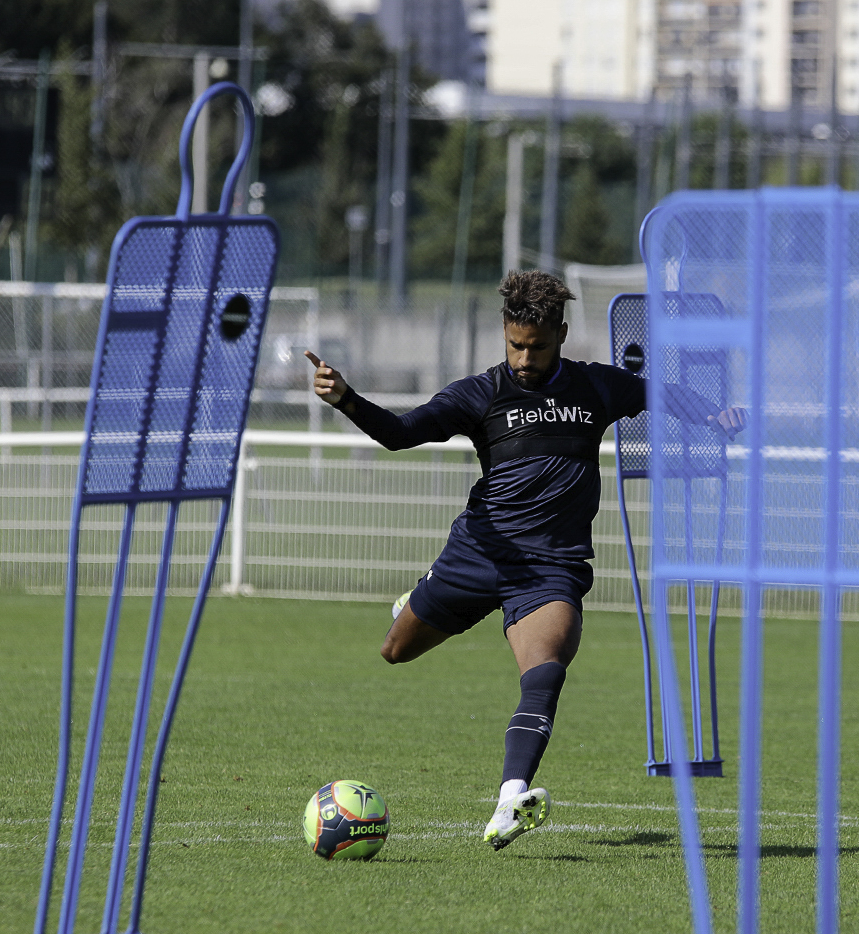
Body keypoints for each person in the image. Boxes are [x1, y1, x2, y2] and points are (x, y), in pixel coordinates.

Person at [306, 270, 744, 850]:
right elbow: (400, 433)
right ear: (505, 334)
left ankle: (512, 796)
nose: (524, 358)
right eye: (515, 344)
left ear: (560, 335)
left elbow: (658, 391)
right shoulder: (480, 394)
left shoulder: (596, 388)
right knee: (395, 650)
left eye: (536, 346)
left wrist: (713, 415)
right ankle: (419, 597)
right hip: (479, 552)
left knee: (545, 672)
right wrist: (346, 399)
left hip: (550, 568)